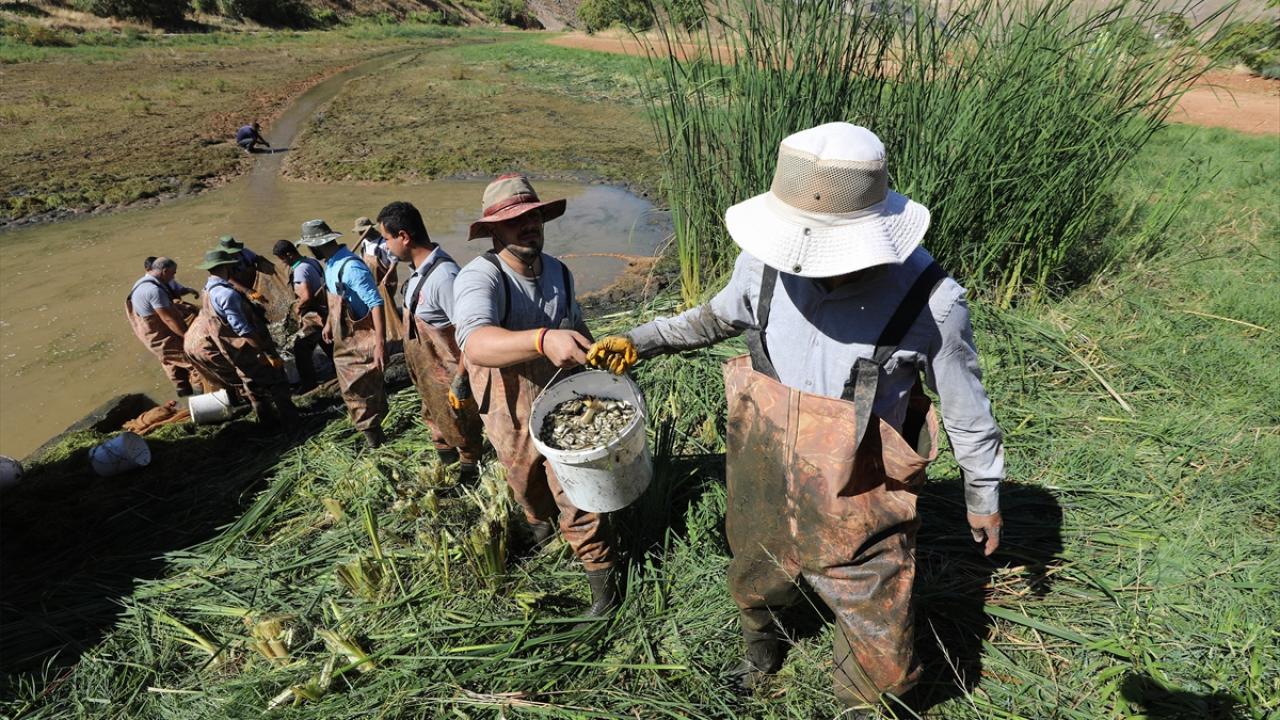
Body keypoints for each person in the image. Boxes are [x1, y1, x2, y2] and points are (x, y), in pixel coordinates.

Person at [586, 123, 1006, 713]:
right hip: (765, 467)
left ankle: (867, 702)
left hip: (862, 494)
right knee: (756, 573)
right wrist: (640, 339)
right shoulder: (763, 265)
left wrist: (982, 495)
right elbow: (713, 318)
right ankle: (761, 649)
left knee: (878, 625)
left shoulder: (932, 302)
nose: (808, 266)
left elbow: (966, 412)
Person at [453, 174, 620, 616]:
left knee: (577, 495)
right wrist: (542, 339)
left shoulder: (560, 272)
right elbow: (475, 344)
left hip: (563, 398)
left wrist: (597, 357)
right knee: (526, 486)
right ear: (493, 230)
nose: (528, 226)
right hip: (508, 406)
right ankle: (540, 530)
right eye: (514, 220)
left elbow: (576, 325)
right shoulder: (481, 277)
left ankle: (604, 595)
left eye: (534, 216)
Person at [377, 201, 484, 482]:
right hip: (429, 377)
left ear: (404, 236)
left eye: (387, 238)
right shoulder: (418, 271)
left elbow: (470, 334)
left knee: (463, 429)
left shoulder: (445, 277)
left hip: (449, 377)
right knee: (436, 420)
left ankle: (470, 473)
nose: (385, 246)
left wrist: (462, 380)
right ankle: (447, 466)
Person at [297, 219, 389, 448]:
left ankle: (375, 442)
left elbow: (376, 303)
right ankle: (375, 432)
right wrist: (329, 323)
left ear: (316, 245)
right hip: (344, 337)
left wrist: (380, 344)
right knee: (355, 390)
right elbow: (336, 299)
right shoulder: (331, 265)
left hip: (361, 335)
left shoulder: (351, 268)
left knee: (359, 390)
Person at [183, 248, 298, 428]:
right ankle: (291, 421)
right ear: (226, 266)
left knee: (253, 387)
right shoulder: (226, 294)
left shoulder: (208, 290)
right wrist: (264, 352)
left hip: (232, 350)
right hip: (247, 348)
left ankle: (267, 422)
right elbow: (242, 328)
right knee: (277, 381)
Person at [126, 256, 197, 397]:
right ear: (164, 271)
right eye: (173, 273)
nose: (174, 277)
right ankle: (201, 400)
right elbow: (168, 319)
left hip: (150, 335)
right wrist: (188, 337)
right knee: (194, 362)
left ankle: (184, 395)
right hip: (159, 335)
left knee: (171, 362)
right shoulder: (154, 290)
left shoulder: (142, 283)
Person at [272, 239, 333, 393]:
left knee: (301, 347)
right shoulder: (311, 261)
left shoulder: (299, 270)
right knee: (325, 340)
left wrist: (296, 310)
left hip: (314, 313)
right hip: (324, 310)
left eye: (282, 259)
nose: (283, 262)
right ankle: (339, 367)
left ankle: (309, 384)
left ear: (289, 255)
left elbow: (306, 296)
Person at [144, 255, 199, 323]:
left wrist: (189, 290)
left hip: (175, 308)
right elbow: (163, 311)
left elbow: (179, 290)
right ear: (147, 270)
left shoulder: (168, 276)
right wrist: (183, 307)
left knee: (197, 310)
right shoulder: (150, 287)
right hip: (166, 314)